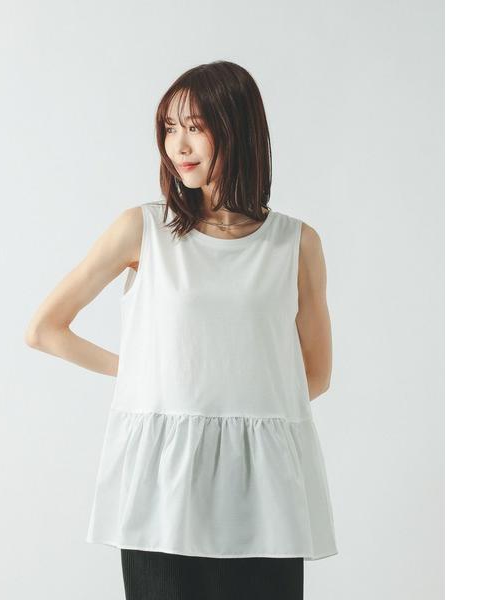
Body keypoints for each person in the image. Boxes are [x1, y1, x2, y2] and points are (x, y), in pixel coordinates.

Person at [25, 60, 337, 600]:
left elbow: (316, 375)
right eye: (170, 128)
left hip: (263, 494)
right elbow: (46, 329)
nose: (179, 145)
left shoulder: (295, 244)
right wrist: (144, 375)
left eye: (195, 127)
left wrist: (238, 427)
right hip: (162, 490)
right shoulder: (143, 229)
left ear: (238, 129)